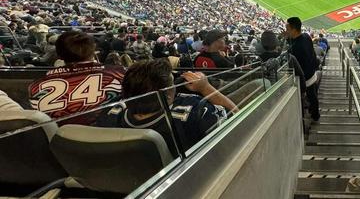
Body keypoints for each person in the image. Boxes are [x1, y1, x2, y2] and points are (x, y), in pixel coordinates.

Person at [97, 59, 235, 153]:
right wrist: (205, 87)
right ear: (167, 96)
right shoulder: (196, 110)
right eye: (172, 82)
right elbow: (238, 118)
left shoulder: (109, 113)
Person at [29, 31, 125, 125]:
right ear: (93, 51)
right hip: (110, 135)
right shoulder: (119, 73)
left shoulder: (36, 85)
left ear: (59, 55)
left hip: (59, 137)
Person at [286, 17, 320, 121]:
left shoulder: (297, 47)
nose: (286, 31)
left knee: (311, 96)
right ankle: (314, 113)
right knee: (313, 95)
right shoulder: (305, 36)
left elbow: (298, 64)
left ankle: (315, 115)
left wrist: (302, 80)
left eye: (287, 28)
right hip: (311, 72)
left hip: (305, 77)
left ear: (294, 29)